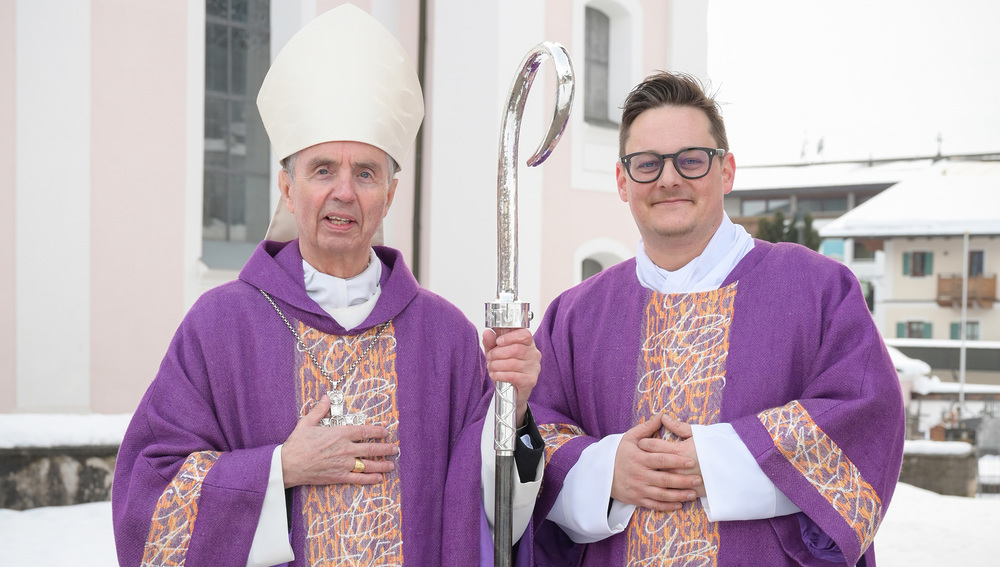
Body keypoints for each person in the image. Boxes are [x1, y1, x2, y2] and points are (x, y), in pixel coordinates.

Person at [111, 5, 543, 566]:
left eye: (365, 173)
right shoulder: (220, 326)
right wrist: (280, 468)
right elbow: (147, 501)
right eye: (322, 170)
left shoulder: (445, 335)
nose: (344, 192)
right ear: (288, 189)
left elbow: (489, 511)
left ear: (389, 195)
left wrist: (514, 408)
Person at [528, 71, 905, 566]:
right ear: (622, 181)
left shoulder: (817, 288)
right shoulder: (576, 315)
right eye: (647, 164)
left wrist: (720, 461)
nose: (668, 179)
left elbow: (865, 415)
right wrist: (603, 472)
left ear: (726, 171)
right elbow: (533, 431)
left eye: (691, 160)